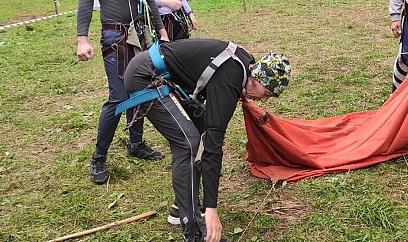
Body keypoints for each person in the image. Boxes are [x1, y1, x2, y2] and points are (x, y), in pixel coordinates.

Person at [121, 38, 291, 242]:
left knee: (200, 133)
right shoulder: (229, 80)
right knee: (188, 144)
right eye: (266, 94)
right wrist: (212, 208)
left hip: (164, 75)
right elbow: (213, 146)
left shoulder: (245, 65)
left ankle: (181, 206)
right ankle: (195, 231)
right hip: (144, 77)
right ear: (258, 79)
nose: (263, 100)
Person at [77, 0, 169, 185]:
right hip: (115, 37)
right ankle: (99, 157)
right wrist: (82, 38)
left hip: (141, 36)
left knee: (141, 89)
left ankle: (136, 143)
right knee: (118, 97)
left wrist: (162, 31)